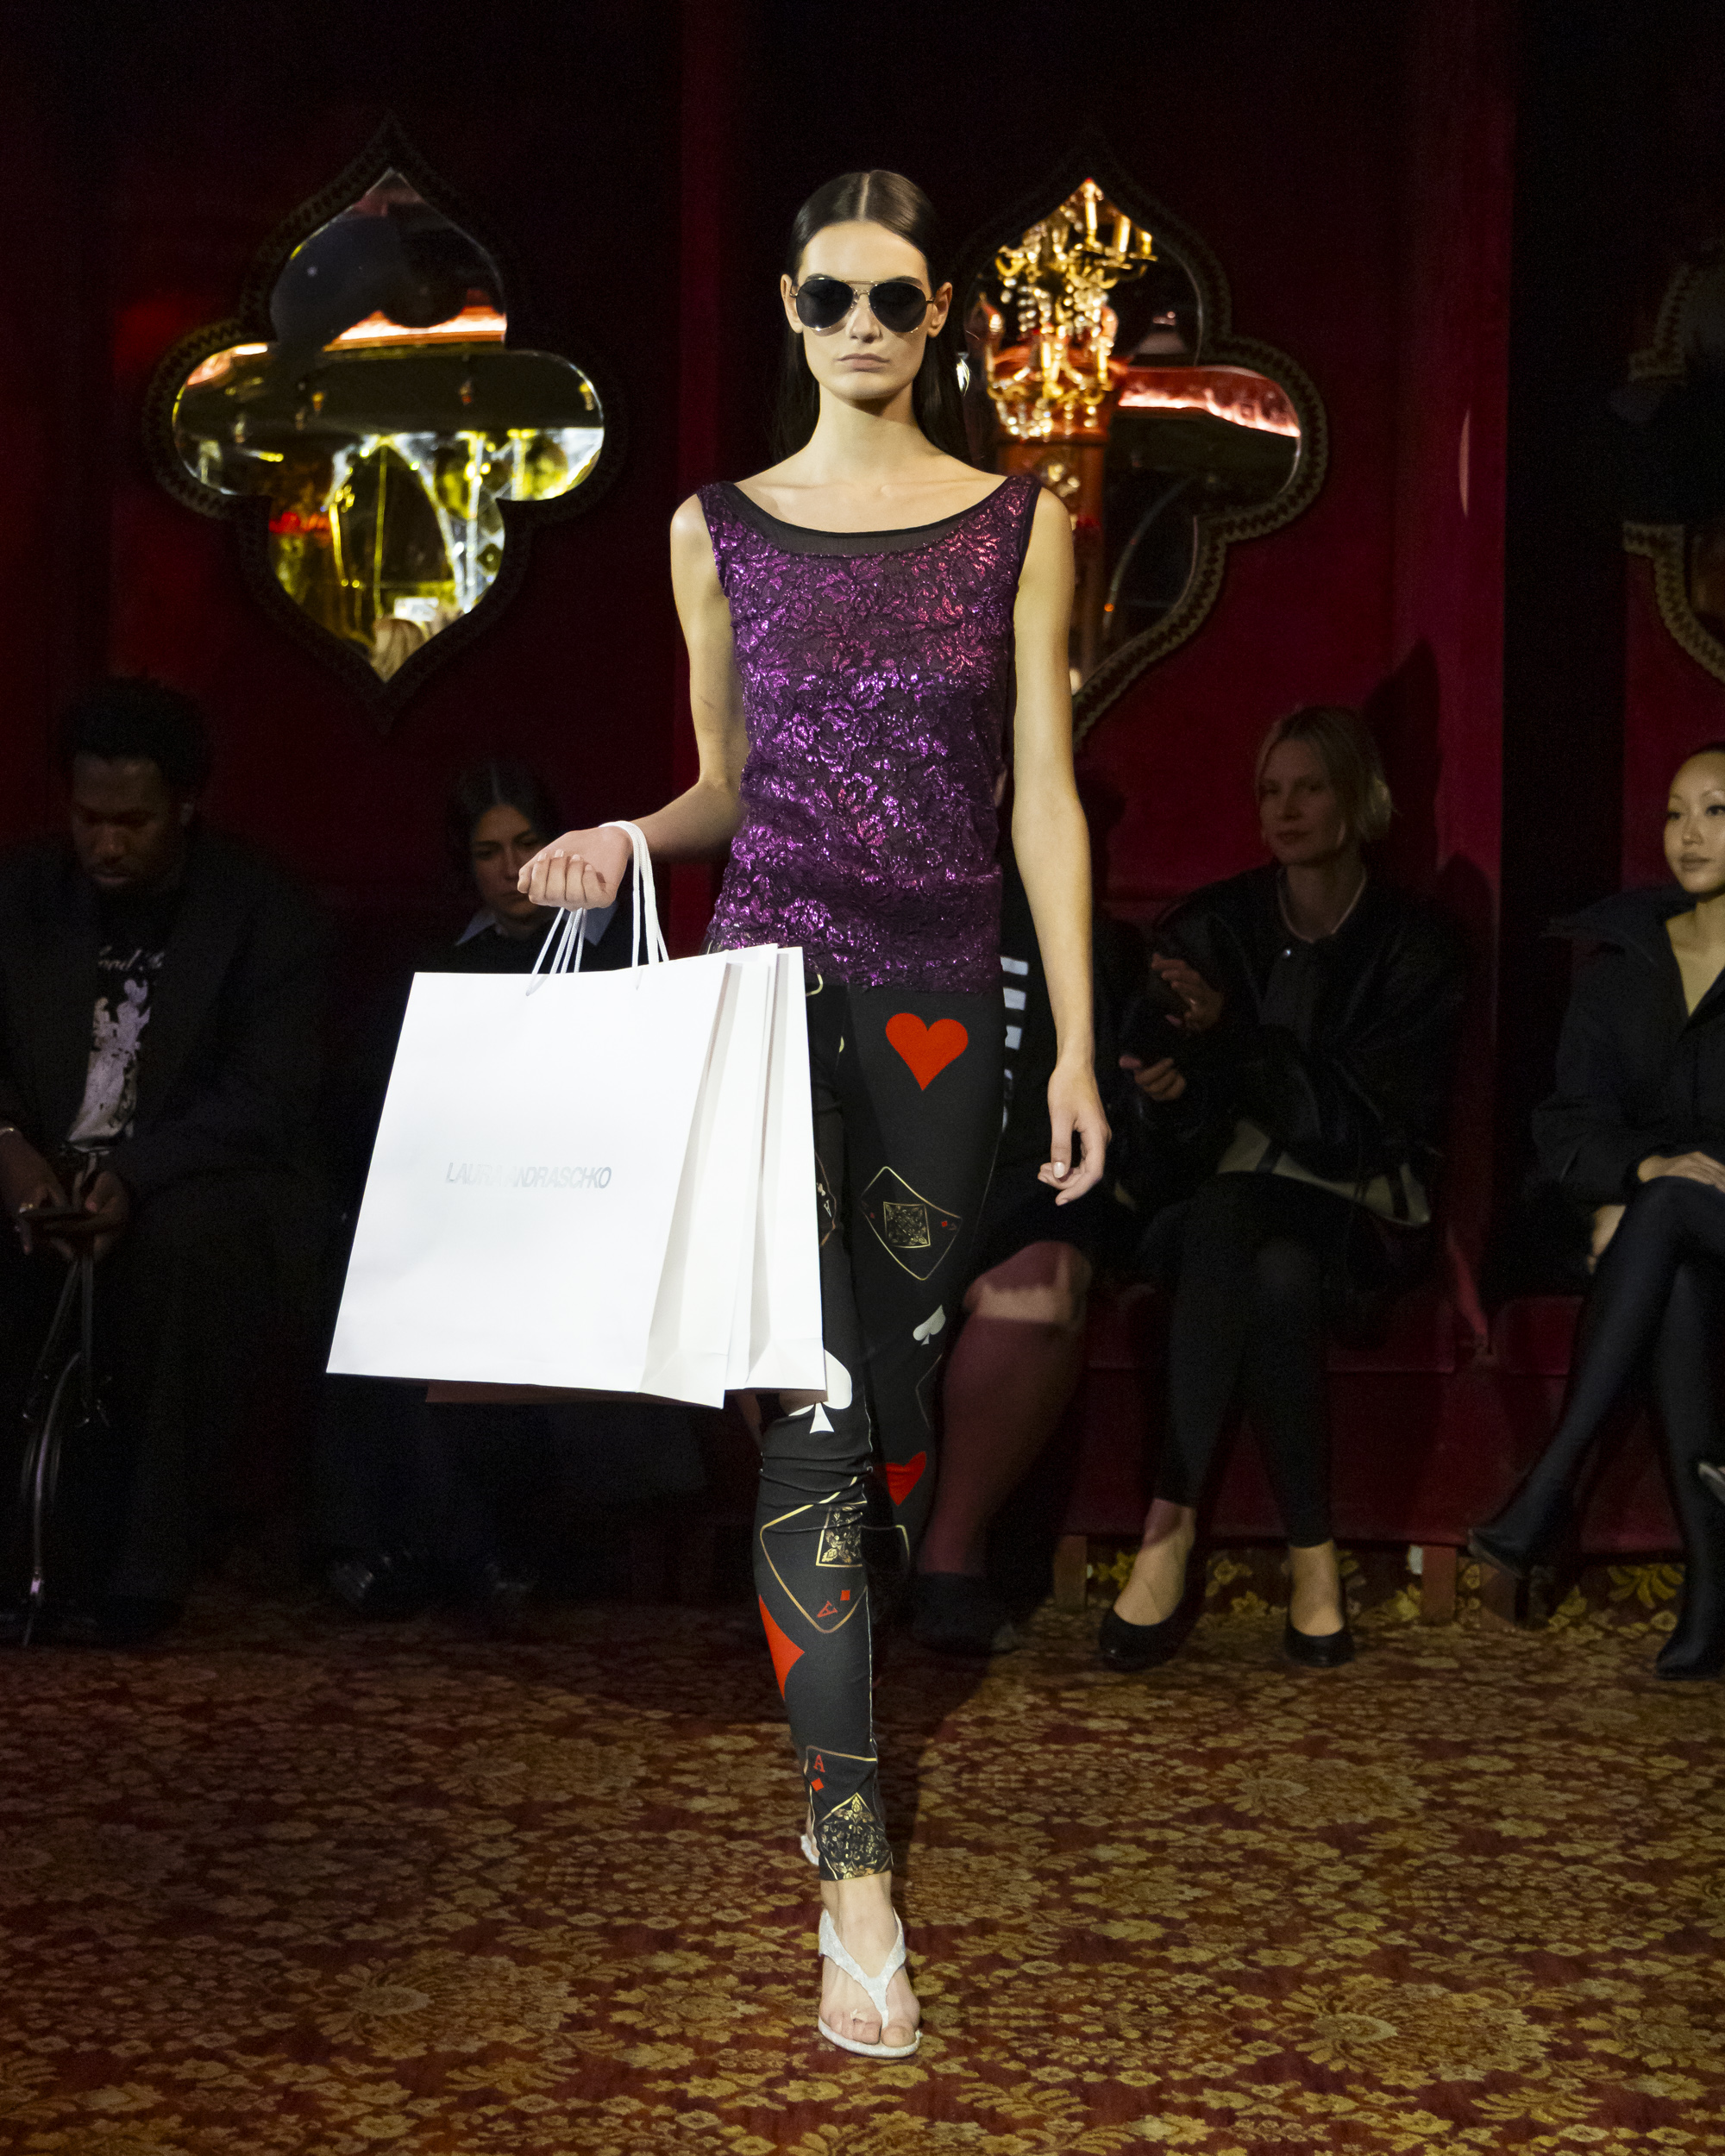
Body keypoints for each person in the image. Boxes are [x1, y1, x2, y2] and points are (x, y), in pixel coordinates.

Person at [518, 170, 1106, 2059]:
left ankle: (855, 1716)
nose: (865, 323)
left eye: (899, 298)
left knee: (896, 1412)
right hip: (766, 992)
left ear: (941, 319)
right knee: (822, 1408)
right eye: (834, 294)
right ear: (789, 306)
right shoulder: (715, 529)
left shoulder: (1018, 522)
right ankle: (853, 1873)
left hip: (946, 1008)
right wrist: (626, 834)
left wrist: (1074, 1042)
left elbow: (1040, 794)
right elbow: (725, 783)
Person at [1097, 705, 1465, 1674]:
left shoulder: (1416, 944)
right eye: (1270, 790)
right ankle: (1314, 1563)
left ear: (1358, 800)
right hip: (1206, 1211)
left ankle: (1168, 1527)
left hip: (1356, 1214)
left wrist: (1233, 1041)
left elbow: (1359, 1132)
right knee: (1269, 1267)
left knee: (1277, 1247)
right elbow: (1155, 1138)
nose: (1286, 809)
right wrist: (1170, 1096)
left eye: (1309, 788)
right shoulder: (1208, 927)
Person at [317, 756, 693, 1629]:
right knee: (381, 1274)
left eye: (527, 844)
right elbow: (381, 1113)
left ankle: (483, 1553)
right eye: (489, 852)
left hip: (591, 1209)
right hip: (470, 1209)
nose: (512, 868)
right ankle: (410, 1545)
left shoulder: (621, 959)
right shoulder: (439, 970)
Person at [0, 677, 327, 1643]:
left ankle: (138, 1574)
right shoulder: (22, 895)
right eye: (88, 819)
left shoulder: (263, 910)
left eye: (132, 822)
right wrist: (9, 1149)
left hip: (196, 1176)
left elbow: (268, 1097)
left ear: (186, 805)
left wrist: (134, 1179)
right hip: (37, 1159)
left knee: (186, 1247)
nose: (106, 844)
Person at [1471, 743, 1725, 1679]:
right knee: (1675, 1281)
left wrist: (1661, 1192)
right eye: (1674, 812)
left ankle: (1548, 1483)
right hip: (1684, 1236)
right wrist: (1642, 1174)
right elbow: (1567, 1123)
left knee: (1665, 1210)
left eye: (1716, 810)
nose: (1688, 833)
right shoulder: (1621, 966)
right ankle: (1713, 1595)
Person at [910, 845, 1148, 1655]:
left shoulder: (1059, 914)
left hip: (1012, 1175)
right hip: (861, 1171)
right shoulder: (844, 882)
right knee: (763, 1271)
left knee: (1043, 1288)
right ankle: (847, 1544)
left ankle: (949, 1556)